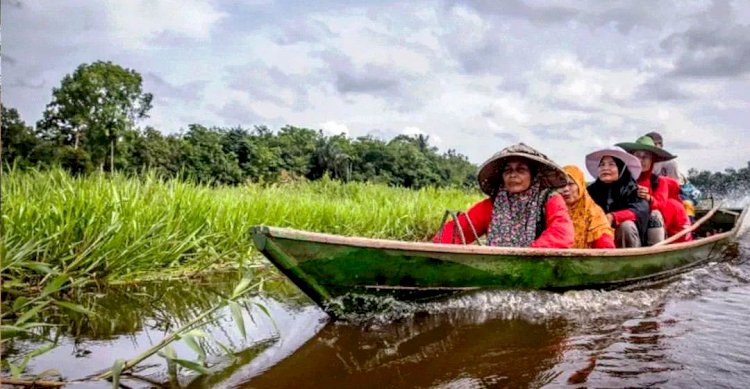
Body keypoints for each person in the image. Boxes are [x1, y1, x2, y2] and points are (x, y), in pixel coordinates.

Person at [432, 143, 574, 248]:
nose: (513, 174)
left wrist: (529, 253)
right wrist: (433, 250)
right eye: (508, 170)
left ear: (533, 176)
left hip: (538, 266)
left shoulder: (550, 199)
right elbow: (458, 231)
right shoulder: (492, 205)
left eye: (521, 170)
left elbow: (562, 233)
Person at [616, 136, 693, 244]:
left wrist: (648, 198)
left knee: (655, 215)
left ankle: (654, 251)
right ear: (631, 158)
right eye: (637, 156)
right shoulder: (622, 181)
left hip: (658, 233)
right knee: (625, 225)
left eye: (645, 157)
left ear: (652, 160)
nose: (641, 160)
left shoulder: (659, 182)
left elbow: (660, 205)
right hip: (632, 230)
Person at [585, 146, 650, 248]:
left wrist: (613, 217)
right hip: (599, 236)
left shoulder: (633, 189)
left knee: (626, 226)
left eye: (611, 164)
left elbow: (640, 210)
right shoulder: (590, 191)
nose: (605, 168)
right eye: (602, 165)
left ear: (621, 168)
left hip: (624, 238)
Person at [560, 165, 616, 249]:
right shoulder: (553, 209)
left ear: (581, 185)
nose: (565, 189)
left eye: (571, 184)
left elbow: (605, 243)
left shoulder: (594, 212)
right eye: (561, 184)